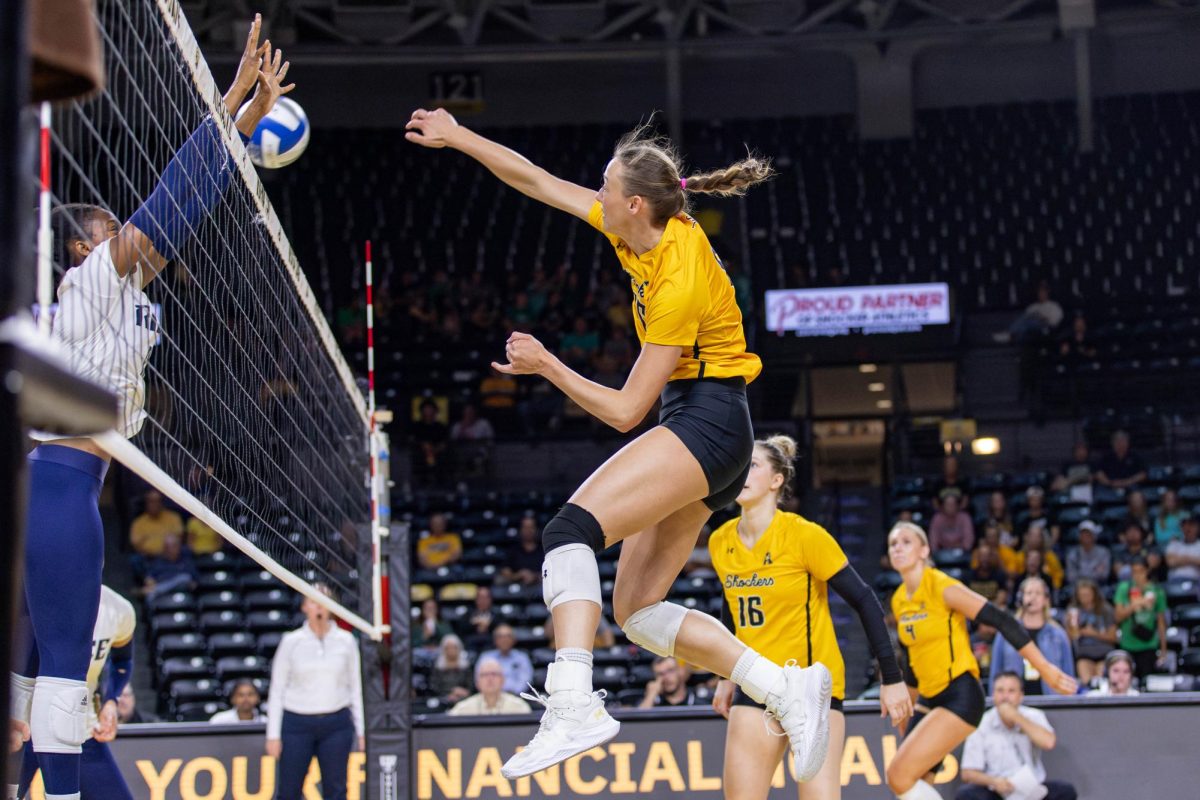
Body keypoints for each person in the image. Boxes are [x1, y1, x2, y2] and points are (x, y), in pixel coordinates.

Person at [406, 108, 831, 781]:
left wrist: (548, 366)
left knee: (569, 531)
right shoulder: (629, 222)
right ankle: (784, 687)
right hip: (706, 425)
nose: (595, 194)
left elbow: (628, 410)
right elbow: (541, 183)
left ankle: (572, 699)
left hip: (709, 422)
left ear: (634, 203)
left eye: (605, 187)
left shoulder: (680, 276)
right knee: (634, 611)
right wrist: (458, 137)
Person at [11, 20, 290, 799]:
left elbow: (185, 212)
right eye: (106, 228)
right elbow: (165, 207)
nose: (121, 232)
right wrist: (227, 101)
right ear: (81, 249)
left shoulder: (124, 294)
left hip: (69, 486)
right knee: (63, 672)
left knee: (37, 683)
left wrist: (241, 131)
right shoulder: (92, 282)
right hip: (56, 482)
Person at [708, 435, 911, 800]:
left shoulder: (804, 535)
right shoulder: (720, 541)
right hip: (756, 685)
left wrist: (891, 678)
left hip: (811, 687)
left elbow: (865, 600)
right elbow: (731, 609)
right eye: (739, 464)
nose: (742, 471)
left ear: (776, 481)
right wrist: (725, 676)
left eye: (752, 465)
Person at [884, 523, 1075, 800]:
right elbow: (912, 661)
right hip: (927, 697)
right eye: (892, 544)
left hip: (959, 694)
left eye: (905, 542)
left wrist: (1045, 668)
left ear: (924, 550)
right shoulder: (900, 599)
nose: (897, 548)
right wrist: (908, 704)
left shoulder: (942, 587)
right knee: (913, 784)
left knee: (898, 775)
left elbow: (1002, 620)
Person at [13, 586, 136, 800]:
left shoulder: (119, 609)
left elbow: (123, 661)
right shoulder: (32, 599)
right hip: (23, 727)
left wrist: (111, 701)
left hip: (77, 728)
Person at [266, 586, 365, 800]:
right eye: (313, 600)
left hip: (336, 723)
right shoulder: (291, 641)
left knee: (337, 790)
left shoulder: (346, 640)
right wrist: (273, 735)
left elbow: (356, 688)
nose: (319, 605)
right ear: (304, 607)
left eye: (324, 599)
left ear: (332, 606)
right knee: (289, 791)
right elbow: (277, 690)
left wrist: (361, 730)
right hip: (296, 723)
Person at [957, 672, 1077, 800]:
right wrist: (994, 781)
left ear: (1020, 696)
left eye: (1011, 691)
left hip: (1033, 790)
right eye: (1000, 691)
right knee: (967, 794)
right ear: (993, 694)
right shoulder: (982, 723)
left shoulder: (1033, 716)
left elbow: (1048, 742)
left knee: (1065, 791)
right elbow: (968, 773)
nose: (1005, 697)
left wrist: (1016, 718)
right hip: (997, 790)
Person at [988, 577, 1075, 697]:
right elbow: (995, 671)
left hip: (1051, 700)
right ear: (1021, 598)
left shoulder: (1058, 635)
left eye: (1038, 593)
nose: (1033, 597)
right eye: (1029, 593)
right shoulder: (1006, 632)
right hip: (1012, 702)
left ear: (1046, 599)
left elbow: (1068, 674)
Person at [1112, 556, 1168, 681]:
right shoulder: (1124, 588)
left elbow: (1160, 622)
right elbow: (1117, 617)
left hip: (1148, 644)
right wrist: (1135, 604)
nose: (1137, 575)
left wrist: (1163, 650)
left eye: (1140, 571)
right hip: (1127, 644)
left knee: (1146, 683)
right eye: (1134, 571)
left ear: (1147, 570)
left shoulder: (1157, 591)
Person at [1065, 579, 1117, 685]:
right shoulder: (1073, 611)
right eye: (1081, 595)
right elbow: (1068, 640)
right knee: (1087, 682)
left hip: (1104, 653)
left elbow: (1113, 637)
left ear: (1094, 594)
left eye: (1087, 594)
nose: (1084, 598)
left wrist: (1094, 633)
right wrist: (1070, 627)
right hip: (1083, 654)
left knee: (1101, 682)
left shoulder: (1105, 610)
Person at [447, 658, 533, 716]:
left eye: (494, 674)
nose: (490, 679)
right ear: (477, 682)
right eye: (484, 675)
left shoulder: (519, 707)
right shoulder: (462, 709)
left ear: (503, 680)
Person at [477, 625, 534, 696]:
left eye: (508, 636)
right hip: (490, 695)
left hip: (516, 696)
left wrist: (513, 693)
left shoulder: (522, 657)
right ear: (495, 640)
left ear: (514, 640)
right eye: (500, 636)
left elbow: (525, 681)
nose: (504, 639)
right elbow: (479, 679)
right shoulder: (486, 657)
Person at [138, 533, 198, 599]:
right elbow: (149, 578)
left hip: (182, 592)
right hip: (162, 594)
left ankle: (157, 590)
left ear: (178, 547)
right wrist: (150, 581)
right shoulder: (158, 562)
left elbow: (194, 581)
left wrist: (192, 584)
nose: (169, 550)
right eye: (166, 547)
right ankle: (158, 590)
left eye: (172, 546)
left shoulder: (186, 561)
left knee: (184, 578)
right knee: (150, 596)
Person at [128, 490, 183, 557]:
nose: (154, 504)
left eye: (157, 501)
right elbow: (136, 545)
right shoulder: (138, 523)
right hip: (149, 558)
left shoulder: (173, 517)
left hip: (171, 557)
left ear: (161, 503)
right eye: (151, 501)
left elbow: (179, 538)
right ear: (146, 503)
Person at [498, 515, 543, 585]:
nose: (528, 531)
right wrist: (519, 575)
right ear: (520, 529)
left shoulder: (543, 550)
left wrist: (534, 576)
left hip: (539, 586)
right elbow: (505, 570)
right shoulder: (513, 550)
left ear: (536, 529)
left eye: (531, 527)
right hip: (516, 586)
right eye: (525, 527)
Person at [429, 635, 473, 704]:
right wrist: (449, 694)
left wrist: (463, 692)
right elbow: (434, 686)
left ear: (459, 648)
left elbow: (471, 686)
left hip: (463, 698)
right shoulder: (438, 667)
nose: (451, 650)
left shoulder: (466, 666)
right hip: (442, 699)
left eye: (454, 647)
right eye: (448, 648)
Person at [1065, 520, 1110, 586]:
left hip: (1098, 587)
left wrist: (1081, 574)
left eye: (1089, 533)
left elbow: (1104, 575)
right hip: (1077, 587)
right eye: (1083, 533)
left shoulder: (1103, 552)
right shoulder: (1072, 554)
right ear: (1079, 536)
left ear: (1094, 536)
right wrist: (1094, 572)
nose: (1086, 536)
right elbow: (1071, 577)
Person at [1166, 512, 1200, 581]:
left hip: (1196, 582)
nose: (1187, 528)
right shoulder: (1174, 543)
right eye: (1184, 525)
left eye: (1191, 525)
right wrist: (1194, 560)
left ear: (1197, 527)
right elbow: (1170, 562)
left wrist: (1181, 559)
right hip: (1175, 581)